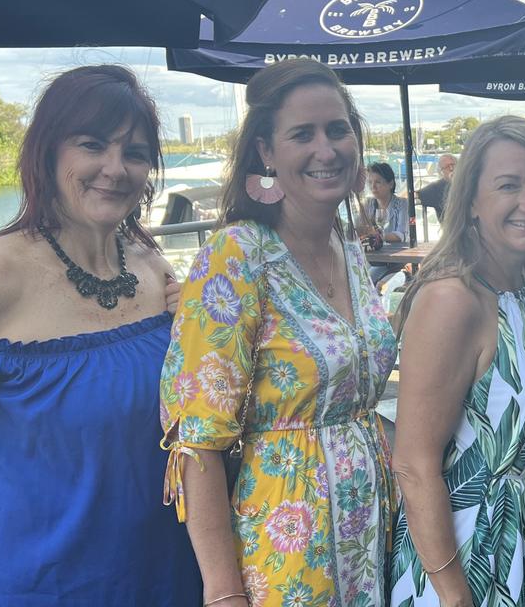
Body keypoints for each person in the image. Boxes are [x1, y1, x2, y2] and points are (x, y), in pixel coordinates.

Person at [0, 65, 200, 605]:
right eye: (92, 144)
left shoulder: (154, 267)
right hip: (31, 585)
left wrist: (197, 323)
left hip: (160, 572)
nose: (115, 168)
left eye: (136, 152)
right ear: (49, 152)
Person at [160, 59, 396, 607]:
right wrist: (223, 593)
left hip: (370, 535)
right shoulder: (237, 256)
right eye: (302, 134)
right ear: (266, 152)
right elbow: (197, 442)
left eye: (338, 130)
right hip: (286, 549)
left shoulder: (348, 248)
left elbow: (355, 400)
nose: (326, 149)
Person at [389, 117, 525, 606]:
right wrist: (454, 595)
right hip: (469, 554)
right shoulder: (453, 299)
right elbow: (413, 464)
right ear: (471, 200)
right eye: (508, 186)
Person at [416, 153, 457, 221]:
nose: (451, 168)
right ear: (441, 172)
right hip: (451, 229)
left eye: (453, 165)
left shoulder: (468, 182)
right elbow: (415, 194)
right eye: (447, 167)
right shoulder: (437, 187)